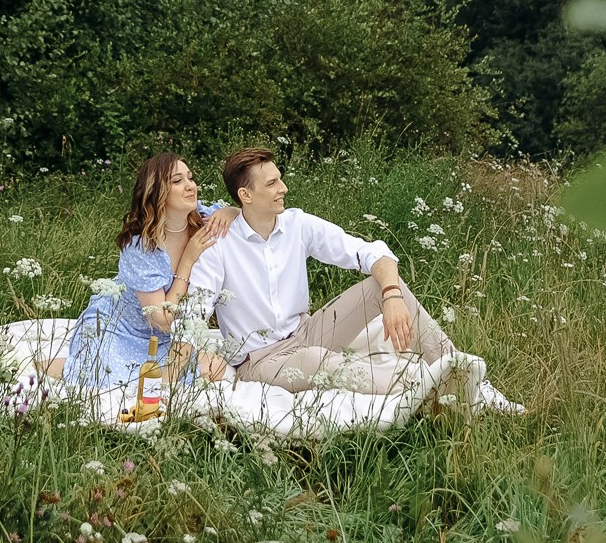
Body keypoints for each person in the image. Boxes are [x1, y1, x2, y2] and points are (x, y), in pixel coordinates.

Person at [186, 146, 466, 397]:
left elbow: (373, 253)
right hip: (260, 359)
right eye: (272, 184)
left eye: (280, 178)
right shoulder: (219, 246)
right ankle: (423, 388)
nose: (283, 188)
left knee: (380, 285)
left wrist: (392, 296)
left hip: (307, 330)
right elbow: (193, 311)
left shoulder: (297, 223)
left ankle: (457, 370)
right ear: (245, 195)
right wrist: (203, 352)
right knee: (316, 360)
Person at [46, 153, 239, 390]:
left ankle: (160, 371)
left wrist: (230, 211)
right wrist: (187, 259)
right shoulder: (142, 247)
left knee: (214, 369)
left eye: (190, 178)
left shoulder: (201, 216)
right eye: (177, 181)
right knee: (109, 377)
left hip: (167, 338)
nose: (190, 186)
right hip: (122, 329)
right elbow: (163, 320)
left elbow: (244, 214)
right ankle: (47, 366)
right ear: (157, 192)